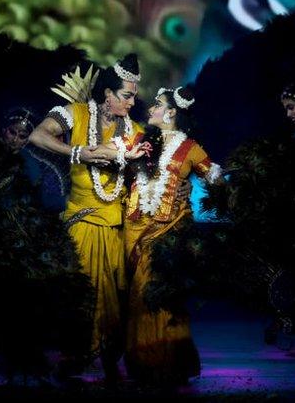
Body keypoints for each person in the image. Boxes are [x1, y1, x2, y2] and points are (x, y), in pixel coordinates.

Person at [27, 54, 148, 382]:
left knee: (114, 300)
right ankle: (73, 357)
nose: (132, 102)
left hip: (115, 226)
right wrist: (79, 152)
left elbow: (142, 174)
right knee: (81, 294)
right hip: (80, 221)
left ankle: (109, 358)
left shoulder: (134, 130)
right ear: (107, 93)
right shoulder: (76, 114)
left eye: (134, 96)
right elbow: (38, 135)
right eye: (126, 95)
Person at [123, 86, 222, 386]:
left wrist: (194, 189)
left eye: (157, 104)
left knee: (160, 295)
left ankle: (167, 363)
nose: (151, 108)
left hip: (170, 230)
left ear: (171, 112)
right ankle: (143, 364)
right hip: (136, 227)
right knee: (138, 295)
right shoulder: (140, 140)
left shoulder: (190, 147)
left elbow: (216, 179)